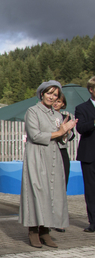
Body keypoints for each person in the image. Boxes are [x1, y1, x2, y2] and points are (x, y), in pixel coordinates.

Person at [19, 81, 77, 248]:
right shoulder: (33, 111)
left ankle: (45, 231)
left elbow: (61, 139)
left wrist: (66, 132)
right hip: (36, 155)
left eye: (55, 95)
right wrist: (59, 131)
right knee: (36, 192)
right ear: (42, 93)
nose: (52, 97)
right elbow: (35, 135)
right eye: (49, 93)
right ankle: (33, 231)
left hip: (53, 156)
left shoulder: (57, 115)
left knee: (53, 193)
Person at [52, 90, 75, 232]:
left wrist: (66, 131)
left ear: (63, 104)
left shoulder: (66, 117)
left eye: (59, 101)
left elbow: (71, 135)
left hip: (62, 152)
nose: (56, 103)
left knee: (62, 186)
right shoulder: (45, 116)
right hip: (48, 151)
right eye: (55, 100)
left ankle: (59, 220)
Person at [76, 76, 95, 233]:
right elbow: (80, 128)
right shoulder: (81, 108)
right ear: (91, 90)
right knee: (91, 190)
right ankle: (93, 222)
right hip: (89, 155)